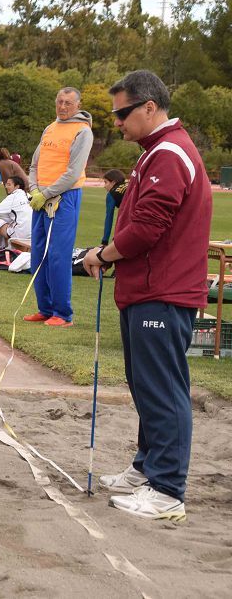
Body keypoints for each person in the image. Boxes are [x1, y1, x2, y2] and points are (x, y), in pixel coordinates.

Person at [82, 69, 212, 522]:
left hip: (165, 291)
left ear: (150, 107)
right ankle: (146, 468)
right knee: (144, 386)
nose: (116, 122)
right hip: (145, 289)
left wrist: (104, 252)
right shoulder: (152, 152)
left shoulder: (169, 153)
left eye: (122, 112)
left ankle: (169, 489)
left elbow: (149, 228)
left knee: (162, 390)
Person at [23, 87, 92, 327]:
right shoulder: (50, 128)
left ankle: (63, 313)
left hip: (65, 198)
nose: (63, 107)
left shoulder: (82, 131)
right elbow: (34, 164)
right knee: (38, 254)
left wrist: (46, 193)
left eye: (68, 103)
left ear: (78, 105)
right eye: (59, 102)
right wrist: (34, 190)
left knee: (58, 256)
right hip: (40, 199)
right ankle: (45, 308)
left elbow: (73, 173)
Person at [0, 176, 32, 250]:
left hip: (21, 231)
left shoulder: (13, 196)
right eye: (6, 184)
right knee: (10, 226)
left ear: (17, 186)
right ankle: (8, 249)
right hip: (34, 231)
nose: (6, 186)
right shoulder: (29, 195)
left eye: (9, 184)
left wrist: (9, 219)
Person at [101, 169, 127, 245]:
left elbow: (109, 218)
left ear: (113, 182)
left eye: (105, 182)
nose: (104, 186)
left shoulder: (112, 194)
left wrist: (104, 241)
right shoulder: (129, 184)